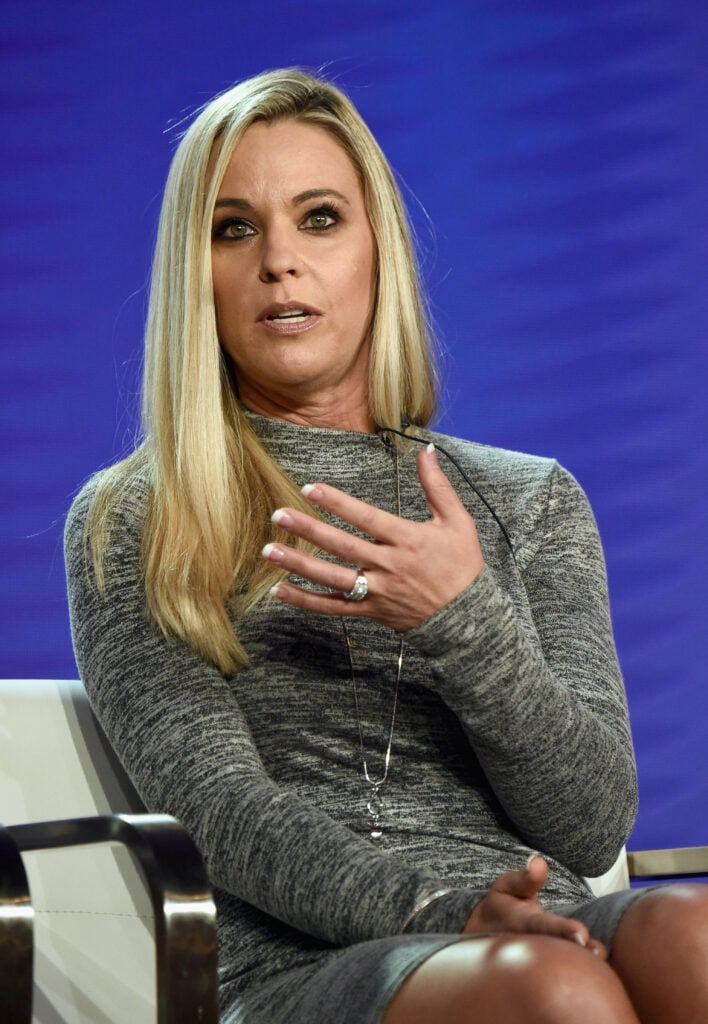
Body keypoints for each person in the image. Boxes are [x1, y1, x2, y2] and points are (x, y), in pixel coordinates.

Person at [65, 68, 708, 1023]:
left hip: (544, 925)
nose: (280, 260)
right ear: (194, 270)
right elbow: (223, 814)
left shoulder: (527, 500)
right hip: (306, 964)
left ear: (380, 248)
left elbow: (589, 822)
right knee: (552, 990)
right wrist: (445, 912)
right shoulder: (140, 517)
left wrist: (464, 624)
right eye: (233, 228)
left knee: (687, 933)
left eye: (319, 218)